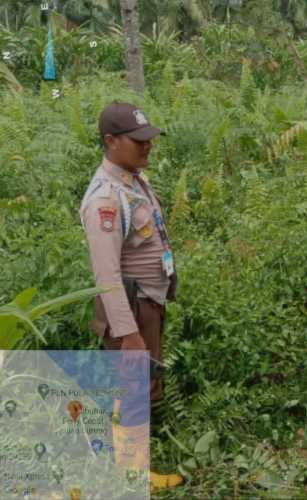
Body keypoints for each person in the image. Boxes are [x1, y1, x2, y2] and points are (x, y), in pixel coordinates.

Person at [80, 101, 183, 492]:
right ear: (110, 142)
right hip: (131, 308)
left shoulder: (133, 179)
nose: (147, 147)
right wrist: (128, 334)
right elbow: (106, 274)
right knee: (132, 388)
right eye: (137, 141)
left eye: (149, 139)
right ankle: (131, 476)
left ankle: (128, 465)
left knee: (137, 388)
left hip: (147, 303)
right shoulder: (105, 199)